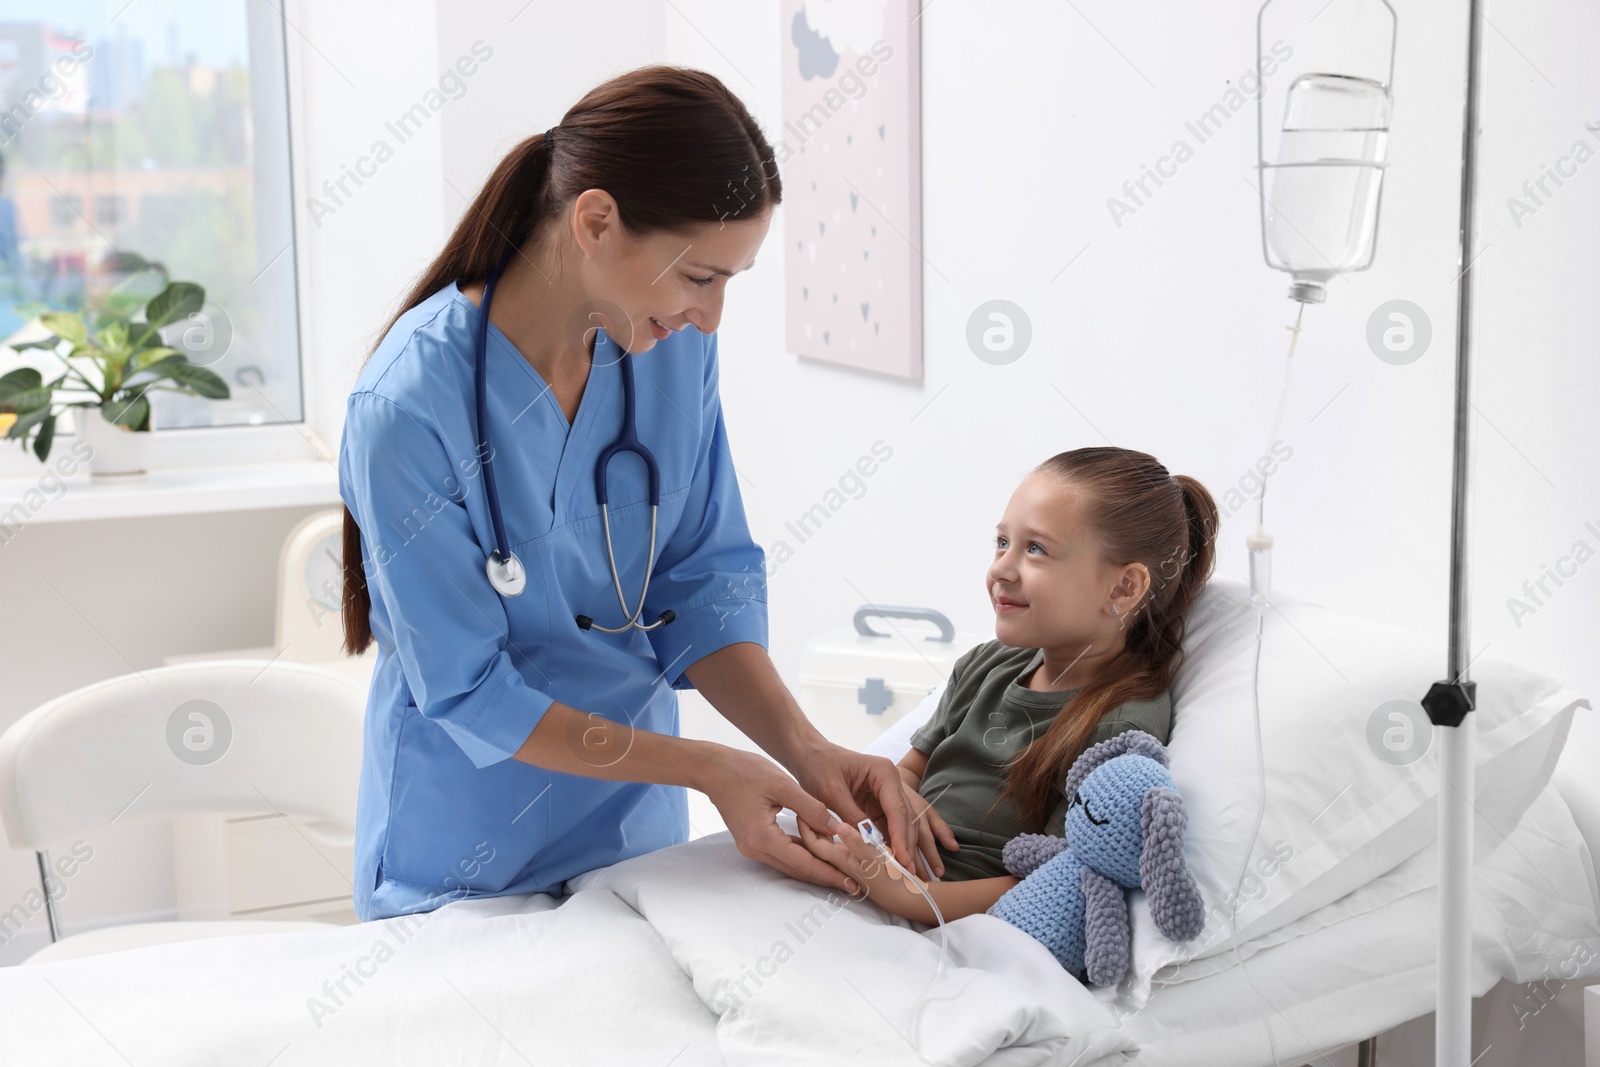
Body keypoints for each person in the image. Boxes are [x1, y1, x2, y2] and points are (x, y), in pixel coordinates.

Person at [337, 66, 921, 922]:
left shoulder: (666, 349)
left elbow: (700, 586)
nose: (712, 316)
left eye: (730, 281)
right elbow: (469, 690)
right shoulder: (407, 407)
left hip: (635, 840)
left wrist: (808, 752)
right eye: (700, 278)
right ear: (597, 221)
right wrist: (711, 767)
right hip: (464, 853)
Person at [798, 447, 1220, 922]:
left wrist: (906, 897)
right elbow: (907, 771)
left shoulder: (1121, 725)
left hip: (944, 913)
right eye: (1002, 542)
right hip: (887, 872)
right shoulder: (986, 665)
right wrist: (897, 808)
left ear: (1123, 588)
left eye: (1035, 549)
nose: (1001, 568)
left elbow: (1064, 877)